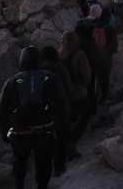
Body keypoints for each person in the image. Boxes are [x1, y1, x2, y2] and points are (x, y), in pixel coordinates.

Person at [0, 46, 67, 189]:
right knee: (44, 165)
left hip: (19, 132)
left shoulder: (11, 81)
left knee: (20, 162)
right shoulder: (51, 78)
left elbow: (1, 111)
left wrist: (4, 132)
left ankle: (19, 185)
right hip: (44, 130)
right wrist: (62, 129)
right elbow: (63, 106)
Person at [59, 31, 92, 158]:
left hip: (62, 95)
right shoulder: (80, 55)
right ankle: (71, 143)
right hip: (78, 94)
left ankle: (65, 144)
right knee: (85, 116)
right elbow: (87, 77)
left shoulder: (59, 54)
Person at [76, 4, 116, 107]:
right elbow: (113, 46)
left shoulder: (83, 25)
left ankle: (93, 100)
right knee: (103, 79)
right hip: (101, 59)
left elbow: (80, 42)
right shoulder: (108, 27)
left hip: (91, 58)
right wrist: (107, 53)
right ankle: (103, 98)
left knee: (92, 80)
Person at [40, 46, 71, 176]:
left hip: (42, 111)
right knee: (60, 137)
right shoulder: (59, 68)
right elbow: (67, 87)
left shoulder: (38, 71)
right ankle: (59, 167)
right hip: (59, 108)